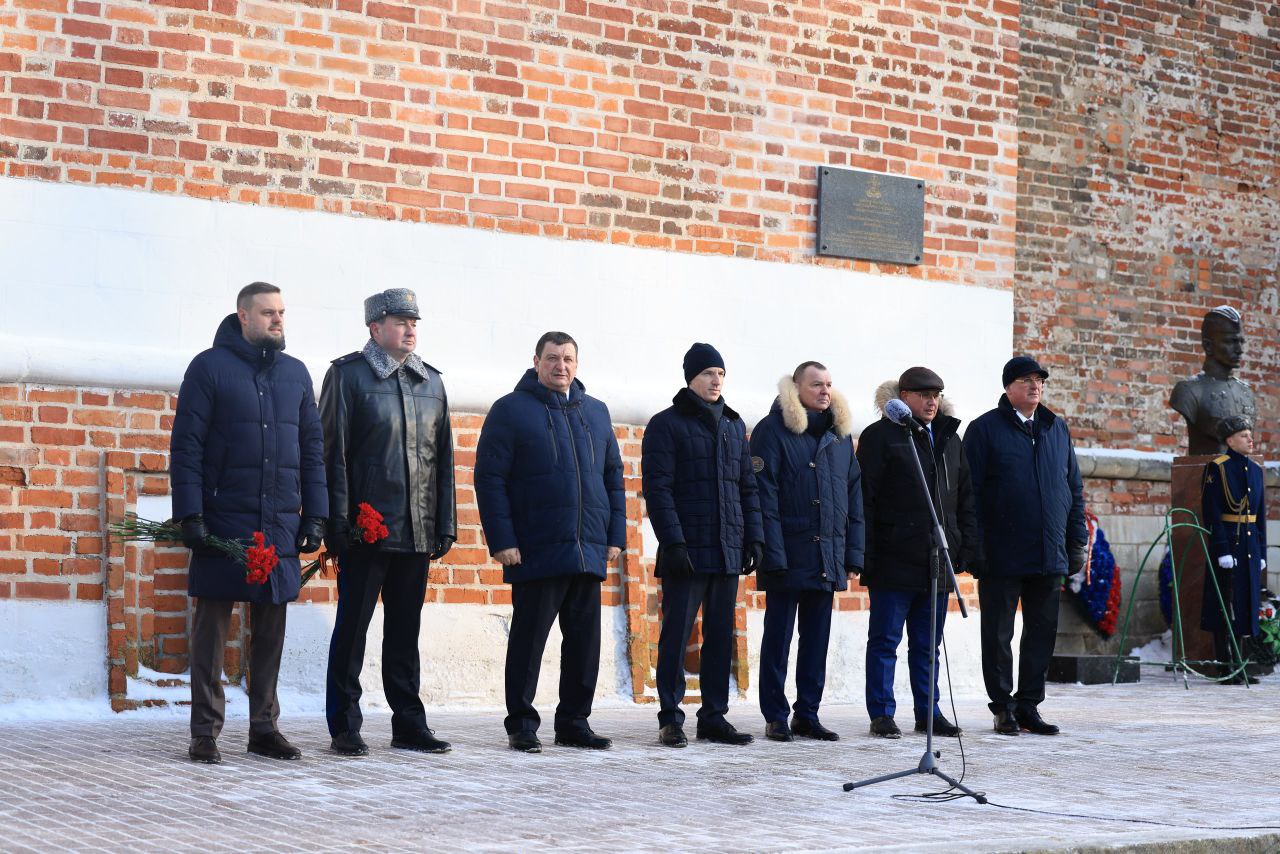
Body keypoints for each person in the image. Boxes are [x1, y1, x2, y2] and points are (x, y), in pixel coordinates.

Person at [170, 281, 327, 764]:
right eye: (267, 313)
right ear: (242, 316)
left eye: (281, 312)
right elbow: (187, 446)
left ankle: (264, 727)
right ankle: (205, 732)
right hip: (223, 519)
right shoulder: (209, 368)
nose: (278, 320)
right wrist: (190, 514)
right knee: (211, 628)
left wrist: (316, 514)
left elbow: (311, 450)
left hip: (278, 520)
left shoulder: (296, 374)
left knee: (271, 627)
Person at [319, 288, 457, 757]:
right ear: (375, 328)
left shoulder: (432, 383)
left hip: (415, 531)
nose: (410, 329)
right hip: (365, 532)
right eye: (400, 321)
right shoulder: (347, 377)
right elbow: (331, 454)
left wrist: (445, 524)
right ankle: (344, 724)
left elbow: (443, 461)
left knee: (405, 633)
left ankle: (409, 724)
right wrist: (337, 523)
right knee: (352, 630)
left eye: (414, 321)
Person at [475, 331, 627, 753]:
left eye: (568, 359)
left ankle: (574, 722)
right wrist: (502, 540)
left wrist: (614, 536)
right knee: (529, 640)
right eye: (552, 358)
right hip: (536, 547)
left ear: (577, 364)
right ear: (536, 362)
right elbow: (489, 480)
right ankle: (522, 723)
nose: (561, 366)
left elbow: (614, 478)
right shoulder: (511, 410)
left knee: (584, 642)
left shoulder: (596, 413)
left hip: (587, 547)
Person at [642, 343, 765, 748]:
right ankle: (670, 717)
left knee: (719, 636)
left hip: (728, 547)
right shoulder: (667, 424)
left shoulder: (733, 425)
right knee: (676, 636)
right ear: (691, 378)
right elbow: (658, 489)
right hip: (688, 550)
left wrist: (754, 537)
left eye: (721, 374)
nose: (716, 381)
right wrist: (673, 542)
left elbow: (747, 486)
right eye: (708, 373)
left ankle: (714, 716)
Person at [964, 355, 1086, 736]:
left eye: (1039, 380)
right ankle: (1002, 707)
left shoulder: (1056, 428)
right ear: (1008, 387)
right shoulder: (984, 430)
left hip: (1049, 551)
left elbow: (1073, 488)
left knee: (1042, 632)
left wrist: (1076, 540)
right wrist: (975, 547)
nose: (1035, 386)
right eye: (1025, 380)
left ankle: (1029, 704)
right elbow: (969, 495)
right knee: (998, 633)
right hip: (1002, 551)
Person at [856, 367, 980, 739]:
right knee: (885, 642)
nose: (931, 401)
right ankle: (881, 713)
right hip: (895, 557)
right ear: (904, 396)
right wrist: (867, 554)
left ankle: (930, 711)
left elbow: (965, 497)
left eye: (937, 394)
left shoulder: (947, 438)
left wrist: (962, 544)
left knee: (928, 646)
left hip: (936, 560)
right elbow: (867, 499)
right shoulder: (881, 437)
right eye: (924, 394)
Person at [751, 361, 864, 742]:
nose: (824, 391)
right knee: (778, 639)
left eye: (829, 384)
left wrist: (852, 556)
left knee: (816, 640)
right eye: (816, 384)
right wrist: (774, 555)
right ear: (795, 388)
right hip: (787, 555)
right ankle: (776, 715)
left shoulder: (838, 437)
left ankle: (808, 714)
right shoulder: (773, 431)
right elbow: (764, 496)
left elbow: (853, 499)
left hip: (826, 557)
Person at [1200, 415, 1267, 684]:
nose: (1250, 439)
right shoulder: (1218, 468)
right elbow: (1212, 511)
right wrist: (1221, 548)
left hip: (1249, 545)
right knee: (1223, 605)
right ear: (1230, 440)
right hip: (1229, 543)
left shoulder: (1256, 470)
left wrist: (1261, 552)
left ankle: (1240, 663)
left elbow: (1260, 516)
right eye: (1243, 436)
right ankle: (1224, 665)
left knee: (1246, 603)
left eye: (1250, 435)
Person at [1170, 305, 1256, 456]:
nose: (1239, 349)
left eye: (1241, 341)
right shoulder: (1190, 390)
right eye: (1230, 341)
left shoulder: (1246, 391)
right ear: (1208, 345)